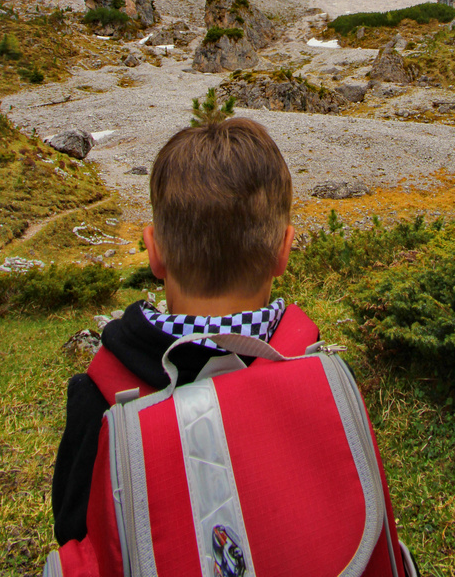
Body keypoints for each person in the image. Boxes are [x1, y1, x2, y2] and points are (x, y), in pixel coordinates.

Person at [51, 117, 299, 546]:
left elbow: (74, 535)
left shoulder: (99, 397)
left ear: (155, 252)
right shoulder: (316, 369)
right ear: (283, 250)